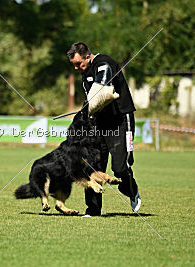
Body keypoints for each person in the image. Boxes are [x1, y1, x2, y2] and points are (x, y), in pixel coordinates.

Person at [67, 42, 141, 216]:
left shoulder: (103, 63)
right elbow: (90, 102)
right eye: (74, 65)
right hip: (99, 123)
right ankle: (93, 209)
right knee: (92, 165)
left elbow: (102, 82)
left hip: (120, 120)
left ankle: (130, 188)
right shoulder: (84, 74)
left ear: (87, 56)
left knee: (120, 168)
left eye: (79, 64)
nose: (77, 68)